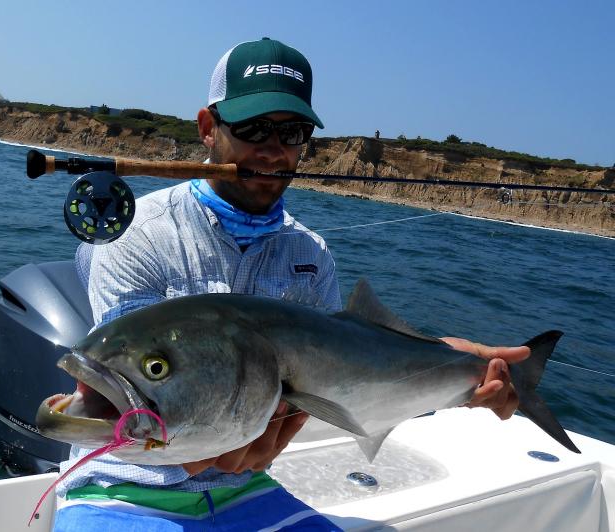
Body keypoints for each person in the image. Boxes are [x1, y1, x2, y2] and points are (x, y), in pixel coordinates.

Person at [52, 37, 527, 531]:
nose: (274, 150)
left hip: (245, 489)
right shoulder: (136, 236)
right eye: (254, 128)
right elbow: (139, 408)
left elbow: (347, 365)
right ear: (208, 128)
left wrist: (463, 372)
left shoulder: (311, 255)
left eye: (293, 132)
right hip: (124, 486)